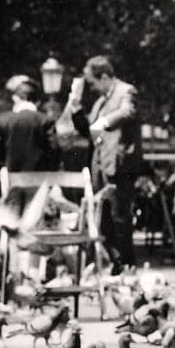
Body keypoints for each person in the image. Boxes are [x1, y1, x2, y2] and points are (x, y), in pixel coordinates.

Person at [64, 55, 142, 271]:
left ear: (105, 76)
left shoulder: (126, 91)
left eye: (92, 82)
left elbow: (127, 112)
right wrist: (76, 109)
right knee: (103, 219)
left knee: (120, 218)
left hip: (118, 165)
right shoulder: (100, 102)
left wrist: (105, 121)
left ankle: (128, 265)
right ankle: (116, 264)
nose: (92, 87)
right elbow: (89, 131)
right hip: (100, 165)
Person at [0, 75, 60, 186]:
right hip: (38, 183)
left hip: (6, 183)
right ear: (38, 102)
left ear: (15, 98)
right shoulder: (46, 121)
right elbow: (54, 151)